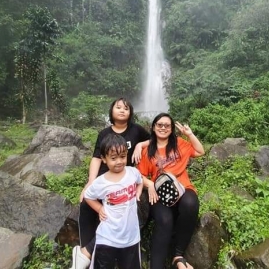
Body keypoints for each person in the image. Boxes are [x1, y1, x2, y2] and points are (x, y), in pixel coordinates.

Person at [71, 98, 150, 269]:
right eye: (118, 107)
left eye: (126, 108)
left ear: (131, 113)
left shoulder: (136, 130)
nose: (122, 110)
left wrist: (140, 146)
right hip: (106, 178)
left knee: (137, 207)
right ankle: (85, 253)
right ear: (111, 111)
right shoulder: (104, 133)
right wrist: (90, 183)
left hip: (126, 178)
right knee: (86, 202)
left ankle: (93, 249)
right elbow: (95, 158)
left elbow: (154, 140)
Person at [137, 113, 205, 269]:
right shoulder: (147, 150)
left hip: (183, 188)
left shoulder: (180, 143)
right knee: (164, 221)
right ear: (153, 127)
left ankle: (178, 255)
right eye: (159, 125)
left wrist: (189, 134)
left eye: (167, 125)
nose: (163, 128)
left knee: (190, 203)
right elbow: (139, 175)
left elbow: (201, 152)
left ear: (172, 129)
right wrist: (150, 184)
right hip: (160, 194)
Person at [82, 134, 143, 269]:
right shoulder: (100, 182)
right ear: (104, 159)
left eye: (122, 156)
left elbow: (140, 181)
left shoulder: (133, 172)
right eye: (113, 158)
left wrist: (138, 192)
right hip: (107, 238)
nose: (119, 161)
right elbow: (88, 196)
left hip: (131, 238)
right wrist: (99, 208)